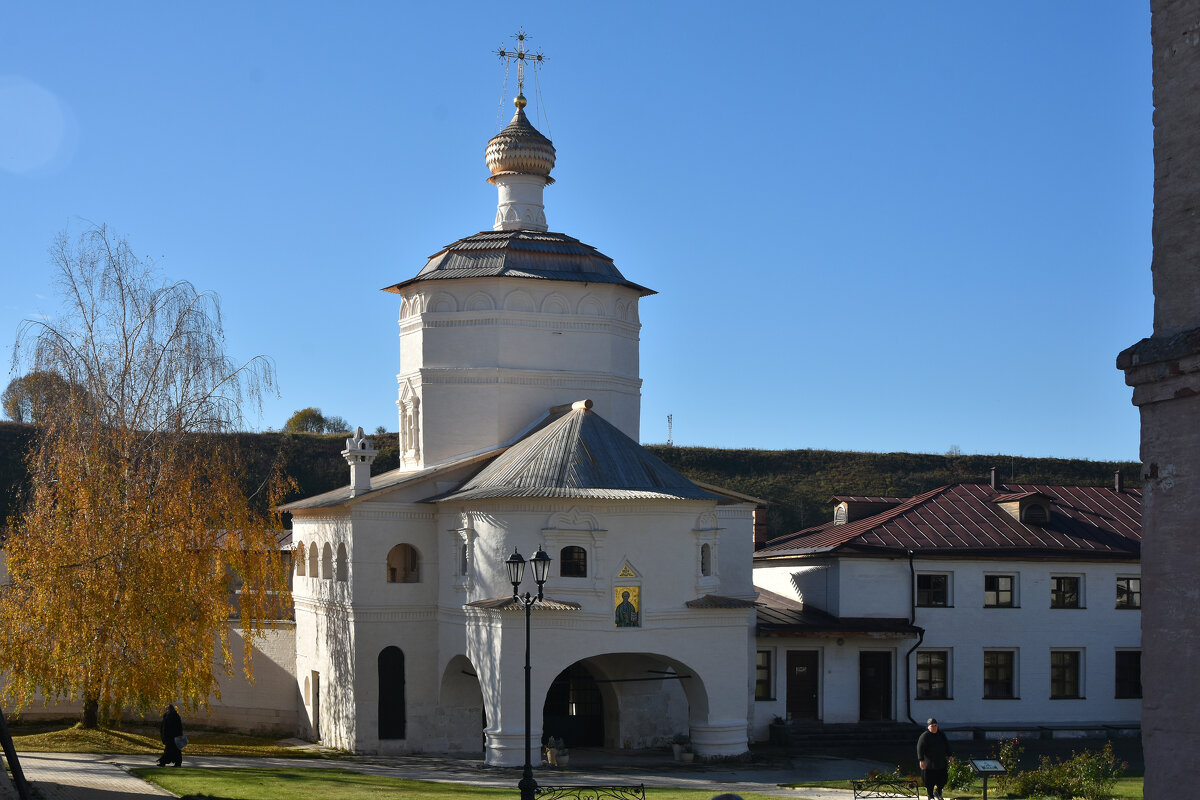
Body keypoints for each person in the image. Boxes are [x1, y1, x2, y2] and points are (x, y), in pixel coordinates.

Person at [917, 717, 952, 800]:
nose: (934, 727)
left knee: (943, 779)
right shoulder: (925, 736)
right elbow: (920, 748)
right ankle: (930, 795)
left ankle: (938, 792)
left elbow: (947, 745)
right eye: (932, 726)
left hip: (941, 762)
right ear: (928, 727)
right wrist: (921, 760)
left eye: (935, 725)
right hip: (929, 763)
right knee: (929, 781)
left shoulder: (941, 734)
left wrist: (950, 755)